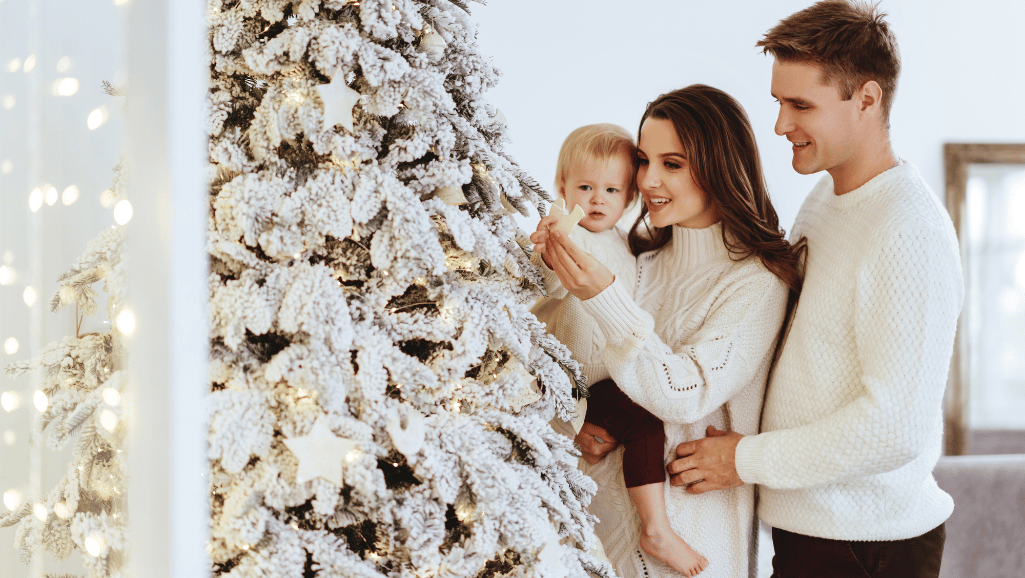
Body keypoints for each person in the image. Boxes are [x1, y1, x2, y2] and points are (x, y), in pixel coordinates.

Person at [666, 3, 963, 578]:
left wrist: (742, 461)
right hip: (815, 537)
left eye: (801, 105)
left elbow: (894, 428)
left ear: (867, 100)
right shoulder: (826, 201)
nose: (780, 125)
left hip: (868, 548)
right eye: (779, 101)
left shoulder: (909, 230)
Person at [532, 85, 801, 578]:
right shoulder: (636, 263)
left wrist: (603, 297)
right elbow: (566, 362)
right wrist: (577, 423)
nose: (649, 180)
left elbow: (685, 393)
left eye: (672, 164)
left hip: (693, 555)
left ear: (718, 166)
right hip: (591, 543)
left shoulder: (756, 281)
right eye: (643, 160)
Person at [530, 124, 709, 576]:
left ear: (629, 198)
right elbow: (543, 282)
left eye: (611, 189)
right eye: (585, 187)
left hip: (607, 381)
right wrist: (548, 249)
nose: (596, 199)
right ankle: (657, 529)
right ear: (562, 188)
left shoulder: (626, 246)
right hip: (572, 387)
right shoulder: (564, 235)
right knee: (646, 421)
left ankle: (652, 524)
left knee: (649, 417)